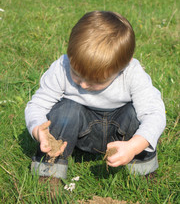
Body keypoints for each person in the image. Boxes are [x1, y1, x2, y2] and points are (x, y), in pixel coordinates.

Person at [25, 11, 166, 179]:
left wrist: (134, 146)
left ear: (122, 68)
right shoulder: (61, 68)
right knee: (66, 110)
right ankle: (49, 171)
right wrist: (38, 130)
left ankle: (143, 170)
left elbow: (154, 114)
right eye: (76, 74)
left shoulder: (132, 74)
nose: (83, 85)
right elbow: (37, 105)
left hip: (119, 135)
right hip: (78, 134)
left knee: (134, 113)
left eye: (96, 81)